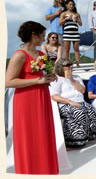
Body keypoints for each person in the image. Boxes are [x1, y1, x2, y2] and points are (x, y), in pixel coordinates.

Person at [5, 21, 59, 174]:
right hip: (26, 101)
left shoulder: (42, 55)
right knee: (29, 136)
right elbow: (8, 81)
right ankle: (29, 171)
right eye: (42, 36)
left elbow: (46, 73)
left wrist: (51, 75)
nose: (44, 39)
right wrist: (37, 80)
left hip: (42, 97)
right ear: (33, 35)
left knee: (43, 134)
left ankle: (45, 170)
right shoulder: (19, 55)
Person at [50, 58, 96, 148]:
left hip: (81, 102)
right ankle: (73, 141)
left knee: (92, 110)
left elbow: (82, 90)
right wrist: (70, 102)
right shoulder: (57, 79)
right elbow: (54, 96)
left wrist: (72, 80)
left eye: (71, 65)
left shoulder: (76, 77)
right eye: (67, 65)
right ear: (60, 67)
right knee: (79, 112)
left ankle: (87, 138)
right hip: (65, 104)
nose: (70, 67)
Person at [59, 0, 82, 67]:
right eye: (70, 4)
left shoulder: (77, 14)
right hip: (67, 33)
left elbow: (81, 24)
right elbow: (60, 23)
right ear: (66, 5)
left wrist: (77, 19)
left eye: (73, 4)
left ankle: (78, 64)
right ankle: (67, 63)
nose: (72, 6)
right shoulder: (63, 13)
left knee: (76, 49)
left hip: (75, 34)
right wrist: (67, 18)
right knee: (67, 50)